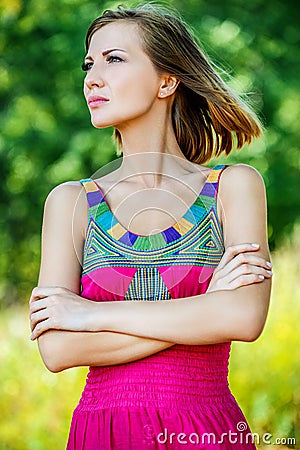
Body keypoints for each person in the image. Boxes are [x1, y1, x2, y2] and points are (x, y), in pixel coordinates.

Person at [29, 4, 273, 449]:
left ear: (167, 80)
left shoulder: (234, 188)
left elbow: (242, 317)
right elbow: (58, 349)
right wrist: (206, 309)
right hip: (102, 433)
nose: (92, 78)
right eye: (89, 63)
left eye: (114, 59)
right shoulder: (70, 203)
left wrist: (90, 315)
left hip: (205, 429)